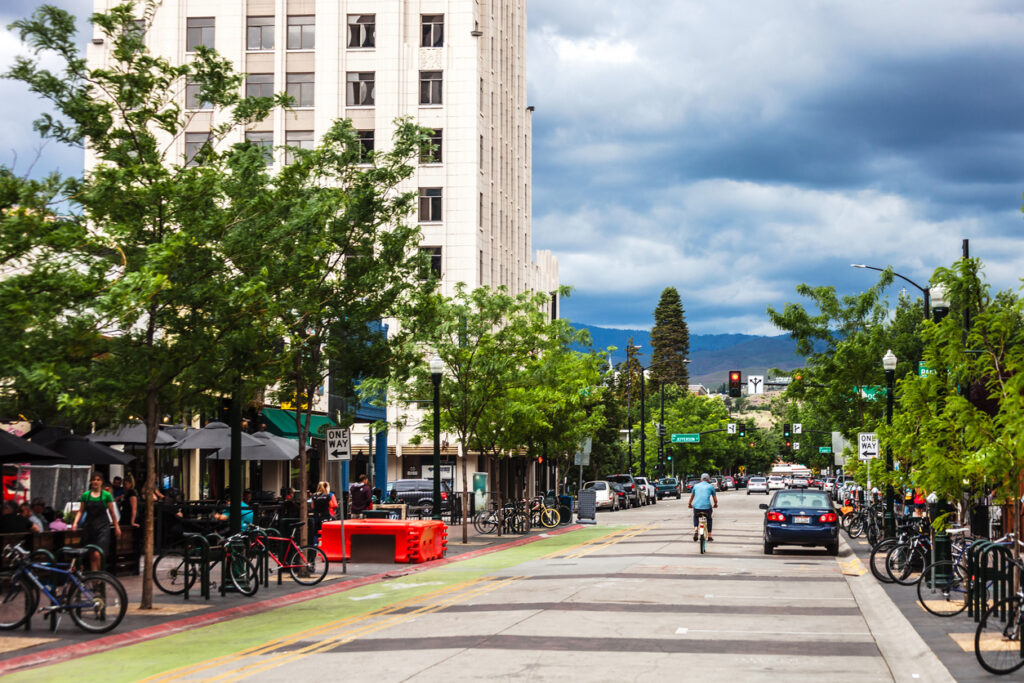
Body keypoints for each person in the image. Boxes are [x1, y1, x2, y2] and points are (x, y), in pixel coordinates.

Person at [71, 472, 122, 571]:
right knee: (91, 553)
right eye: (94, 479)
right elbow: (81, 511)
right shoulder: (86, 495)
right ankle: (95, 579)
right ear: (90, 481)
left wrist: (117, 527)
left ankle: (98, 576)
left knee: (97, 553)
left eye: (98, 480)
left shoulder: (106, 495)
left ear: (101, 482)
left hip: (102, 527)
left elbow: (112, 512)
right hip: (89, 527)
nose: (95, 482)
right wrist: (75, 523)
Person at [687, 473, 718, 542]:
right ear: (708, 479)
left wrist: (689, 504)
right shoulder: (710, 486)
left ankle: (696, 529)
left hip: (697, 508)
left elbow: (691, 497)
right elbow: (715, 499)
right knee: (709, 519)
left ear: (701, 479)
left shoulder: (695, 486)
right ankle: (709, 536)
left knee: (695, 516)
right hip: (707, 508)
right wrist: (715, 504)